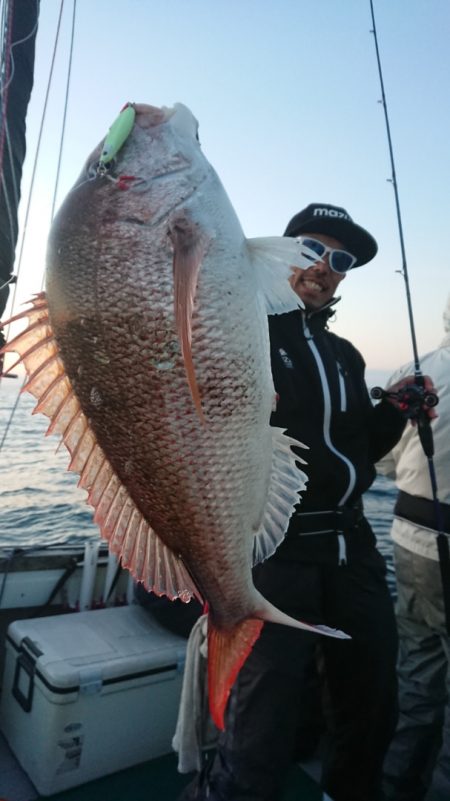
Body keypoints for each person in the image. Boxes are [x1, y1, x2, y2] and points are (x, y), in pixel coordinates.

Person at [179, 202, 423, 801]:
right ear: (282, 256)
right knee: (259, 727)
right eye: (312, 251)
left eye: (340, 261)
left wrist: (393, 413)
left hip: (353, 551)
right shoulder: (242, 333)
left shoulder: (346, 356)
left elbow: (357, 451)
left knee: (370, 707)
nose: (325, 268)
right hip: (276, 554)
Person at [377, 295, 450, 801]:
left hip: (408, 542)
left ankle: (395, 786)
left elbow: (380, 459)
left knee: (419, 676)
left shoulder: (411, 371)